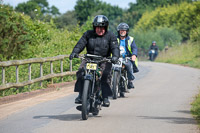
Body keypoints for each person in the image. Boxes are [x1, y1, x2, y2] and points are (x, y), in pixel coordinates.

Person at [69, 15, 120, 107]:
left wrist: (115, 56)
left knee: (105, 75)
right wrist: (74, 52)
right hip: (89, 58)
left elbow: (115, 47)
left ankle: (105, 97)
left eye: (102, 27)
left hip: (104, 59)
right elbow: (80, 44)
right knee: (81, 72)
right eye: (97, 27)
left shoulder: (111, 36)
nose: (100, 29)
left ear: (106, 27)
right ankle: (81, 94)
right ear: (94, 27)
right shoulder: (88, 34)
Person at [116, 22, 138, 97]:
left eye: (124, 30)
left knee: (129, 66)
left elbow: (134, 48)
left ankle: (130, 81)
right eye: (121, 30)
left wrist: (134, 55)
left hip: (127, 58)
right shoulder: (115, 39)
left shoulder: (130, 39)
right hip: (117, 58)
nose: (122, 32)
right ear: (118, 31)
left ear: (127, 31)